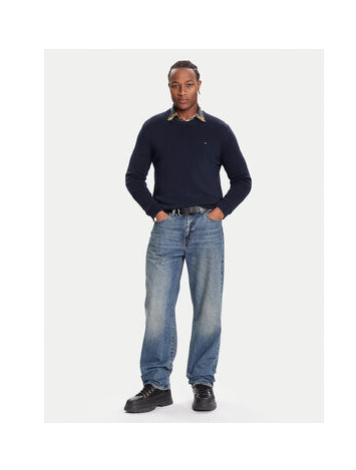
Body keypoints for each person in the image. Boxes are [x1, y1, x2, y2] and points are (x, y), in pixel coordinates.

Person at [124, 60, 252, 413]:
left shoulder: (219, 130)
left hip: (207, 228)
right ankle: (156, 384)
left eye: (188, 84)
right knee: (157, 307)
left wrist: (218, 213)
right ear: (169, 87)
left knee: (208, 308)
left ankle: (202, 382)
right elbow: (134, 177)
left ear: (199, 85)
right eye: (175, 85)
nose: (182, 91)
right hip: (166, 227)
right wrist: (156, 212)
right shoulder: (153, 128)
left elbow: (242, 180)